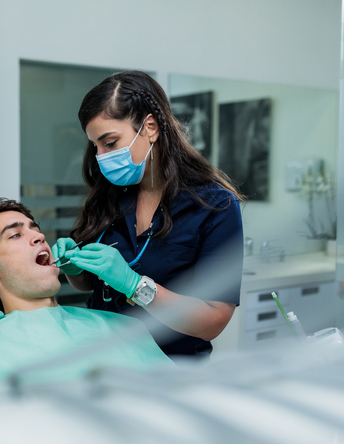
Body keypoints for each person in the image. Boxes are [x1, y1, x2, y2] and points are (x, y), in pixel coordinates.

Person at [53, 71, 244, 359]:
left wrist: (135, 285)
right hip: (103, 361)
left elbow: (213, 321)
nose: (101, 156)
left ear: (150, 127)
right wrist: (75, 268)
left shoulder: (214, 206)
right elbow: (93, 284)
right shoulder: (110, 196)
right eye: (96, 146)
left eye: (110, 142)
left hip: (169, 372)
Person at [0, 199, 172, 410]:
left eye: (35, 229)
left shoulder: (123, 329)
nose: (39, 237)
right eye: (15, 235)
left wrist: (135, 285)